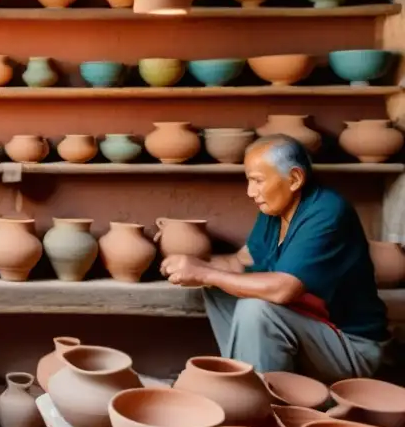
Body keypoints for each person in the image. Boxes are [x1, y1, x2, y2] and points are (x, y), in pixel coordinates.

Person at [161, 134, 389, 381]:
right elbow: (239, 262)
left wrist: (205, 272)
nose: (250, 192)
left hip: (351, 348)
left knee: (256, 309)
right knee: (216, 289)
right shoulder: (275, 211)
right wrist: (192, 265)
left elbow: (284, 290)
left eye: (257, 181)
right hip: (312, 330)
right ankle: (245, 376)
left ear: (294, 178)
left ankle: (256, 395)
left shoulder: (327, 212)